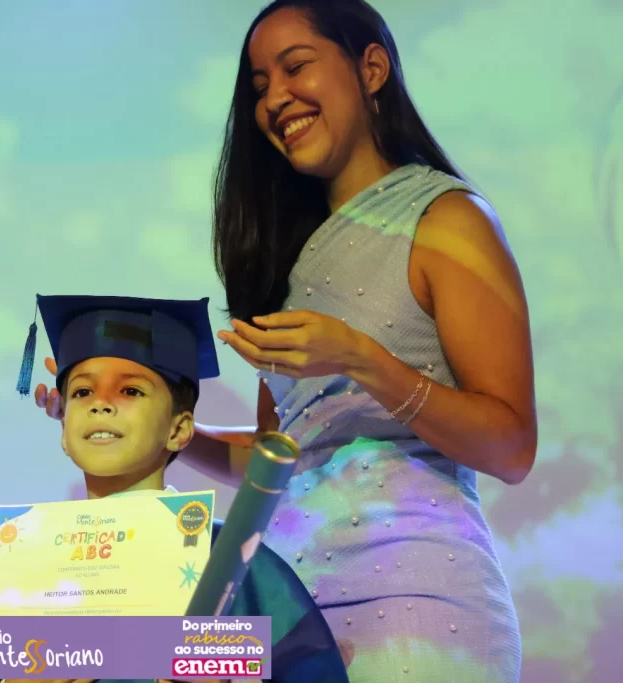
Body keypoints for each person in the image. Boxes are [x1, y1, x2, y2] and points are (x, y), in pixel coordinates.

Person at [36, 2, 535, 681]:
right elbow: (281, 457)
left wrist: (361, 358)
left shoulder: (448, 219)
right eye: (259, 84)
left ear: (372, 68)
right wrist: (151, 426)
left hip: (414, 601)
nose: (274, 98)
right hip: (286, 610)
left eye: (296, 67)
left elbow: (511, 448)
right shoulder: (288, 260)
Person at [27, 294, 349, 683]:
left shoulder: (230, 560)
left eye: (131, 391)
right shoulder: (23, 562)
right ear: (64, 428)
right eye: (82, 392)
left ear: (179, 430)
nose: (102, 404)